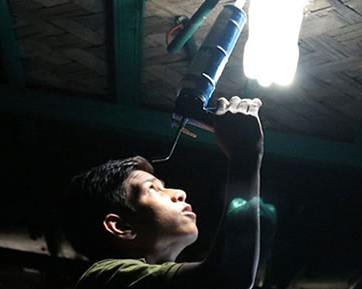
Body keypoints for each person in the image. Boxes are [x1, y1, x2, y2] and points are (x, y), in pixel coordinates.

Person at [68, 96, 265, 289]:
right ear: (121, 226)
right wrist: (245, 154)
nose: (179, 193)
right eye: (153, 188)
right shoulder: (104, 278)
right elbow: (229, 276)